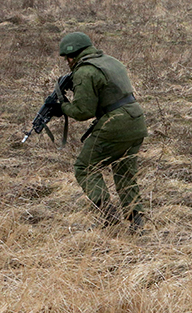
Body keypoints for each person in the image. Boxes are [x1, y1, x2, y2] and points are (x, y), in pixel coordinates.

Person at [55, 32, 148, 233]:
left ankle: (109, 216)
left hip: (115, 123)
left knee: (85, 167)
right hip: (136, 118)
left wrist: (63, 106)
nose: (67, 63)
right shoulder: (110, 61)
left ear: (71, 56)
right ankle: (137, 223)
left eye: (67, 59)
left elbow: (83, 111)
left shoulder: (85, 71)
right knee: (125, 172)